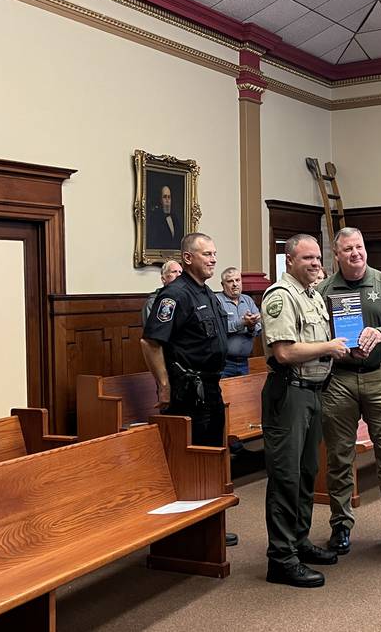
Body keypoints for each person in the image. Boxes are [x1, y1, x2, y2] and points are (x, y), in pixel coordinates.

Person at [317, 227, 381, 557]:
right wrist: (333, 349)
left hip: (379, 377)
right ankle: (341, 525)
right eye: (347, 249)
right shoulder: (322, 290)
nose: (355, 254)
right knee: (338, 457)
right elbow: (315, 334)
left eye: (359, 247)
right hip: (339, 380)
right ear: (336, 255)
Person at [261, 234, 349, 588]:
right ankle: (281, 558)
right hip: (290, 394)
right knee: (286, 476)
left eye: (317, 258)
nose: (315, 263)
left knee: (307, 472)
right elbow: (283, 352)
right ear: (289, 262)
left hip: (314, 392)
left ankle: (298, 542)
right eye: (307, 258)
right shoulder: (281, 296)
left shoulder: (311, 296)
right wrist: (328, 346)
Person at [140, 232, 238, 546]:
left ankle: (209, 521)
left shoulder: (206, 293)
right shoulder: (175, 295)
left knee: (210, 459)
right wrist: (164, 386)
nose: (213, 259)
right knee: (191, 463)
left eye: (214, 253)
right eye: (206, 254)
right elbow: (150, 341)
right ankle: (190, 530)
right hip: (188, 390)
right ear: (187, 258)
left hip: (210, 387)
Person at [216, 266, 261, 378]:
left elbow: (259, 327)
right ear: (223, 285)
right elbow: (218, 328)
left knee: (243, 394)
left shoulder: (248, 300)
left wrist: (251, 326)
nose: (235, 284)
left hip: (245, 362)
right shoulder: (217, 301)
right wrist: (242, 323)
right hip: (224, 364)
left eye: (237, 280)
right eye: (230, 281)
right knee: (225, 394)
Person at [141, 259, 182, 323]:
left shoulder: (186, 298)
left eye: (180, 272)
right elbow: (150, 330)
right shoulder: (153, 302)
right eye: (174, 272)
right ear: (163, 279)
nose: (178, 275)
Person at [148, 185, 182, 250]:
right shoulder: (154, 218)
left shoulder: (174, 218)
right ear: (160, 200)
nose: (167, 200)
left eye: (169, 197)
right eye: (164, 197)